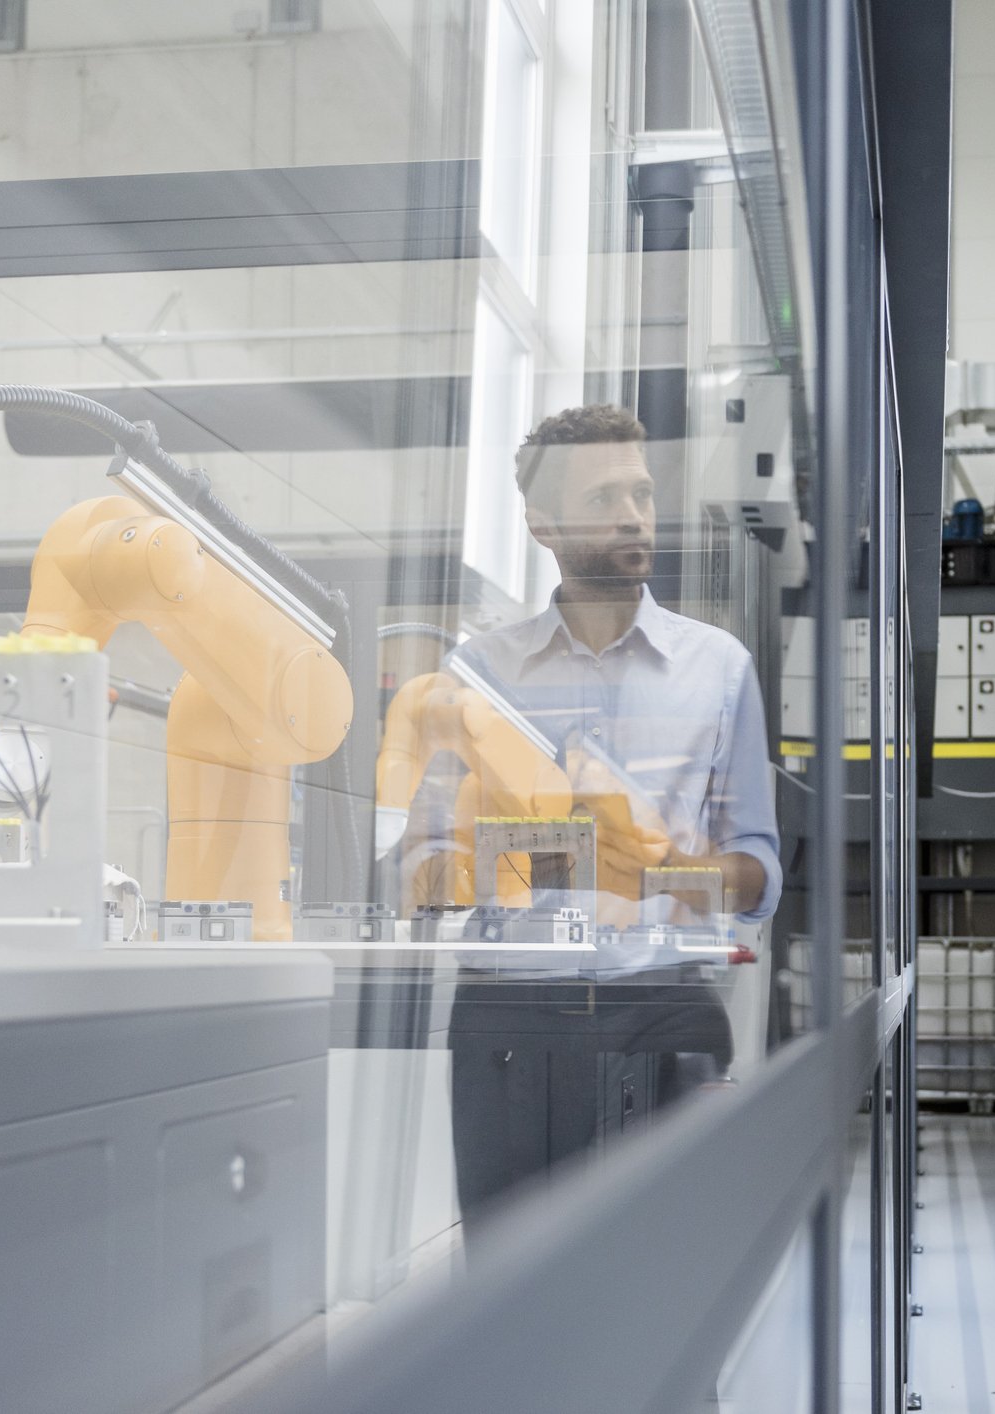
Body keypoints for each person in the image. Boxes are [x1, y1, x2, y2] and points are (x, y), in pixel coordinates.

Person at [404, 402, 782, 1235]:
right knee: (508, 1294)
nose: (632, 514)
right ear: (542, 522)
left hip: (664, 1006)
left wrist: (654, 868)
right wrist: (523, 854)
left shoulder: (717, 670)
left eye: (641, 492)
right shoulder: (477, 675)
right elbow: (423, 867)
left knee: (672, 1295)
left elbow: (756, 871)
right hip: (510, 1022)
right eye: (605, 495)